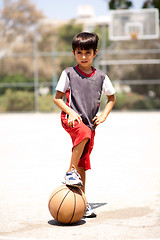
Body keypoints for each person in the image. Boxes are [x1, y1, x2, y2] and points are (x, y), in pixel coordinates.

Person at [54, 32, 116, 218]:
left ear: (95, 53)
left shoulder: (102, 77)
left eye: (87, 53)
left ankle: (82, 202)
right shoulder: (68, 73)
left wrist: (104, 114)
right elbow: (57, 98)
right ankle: (69, 172)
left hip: (90, 125)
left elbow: (112, 98)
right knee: (83, 133)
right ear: (74, 53)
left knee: (83, 162)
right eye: (79, 52)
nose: (83, 56)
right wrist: (71, 111)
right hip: (71, 118)